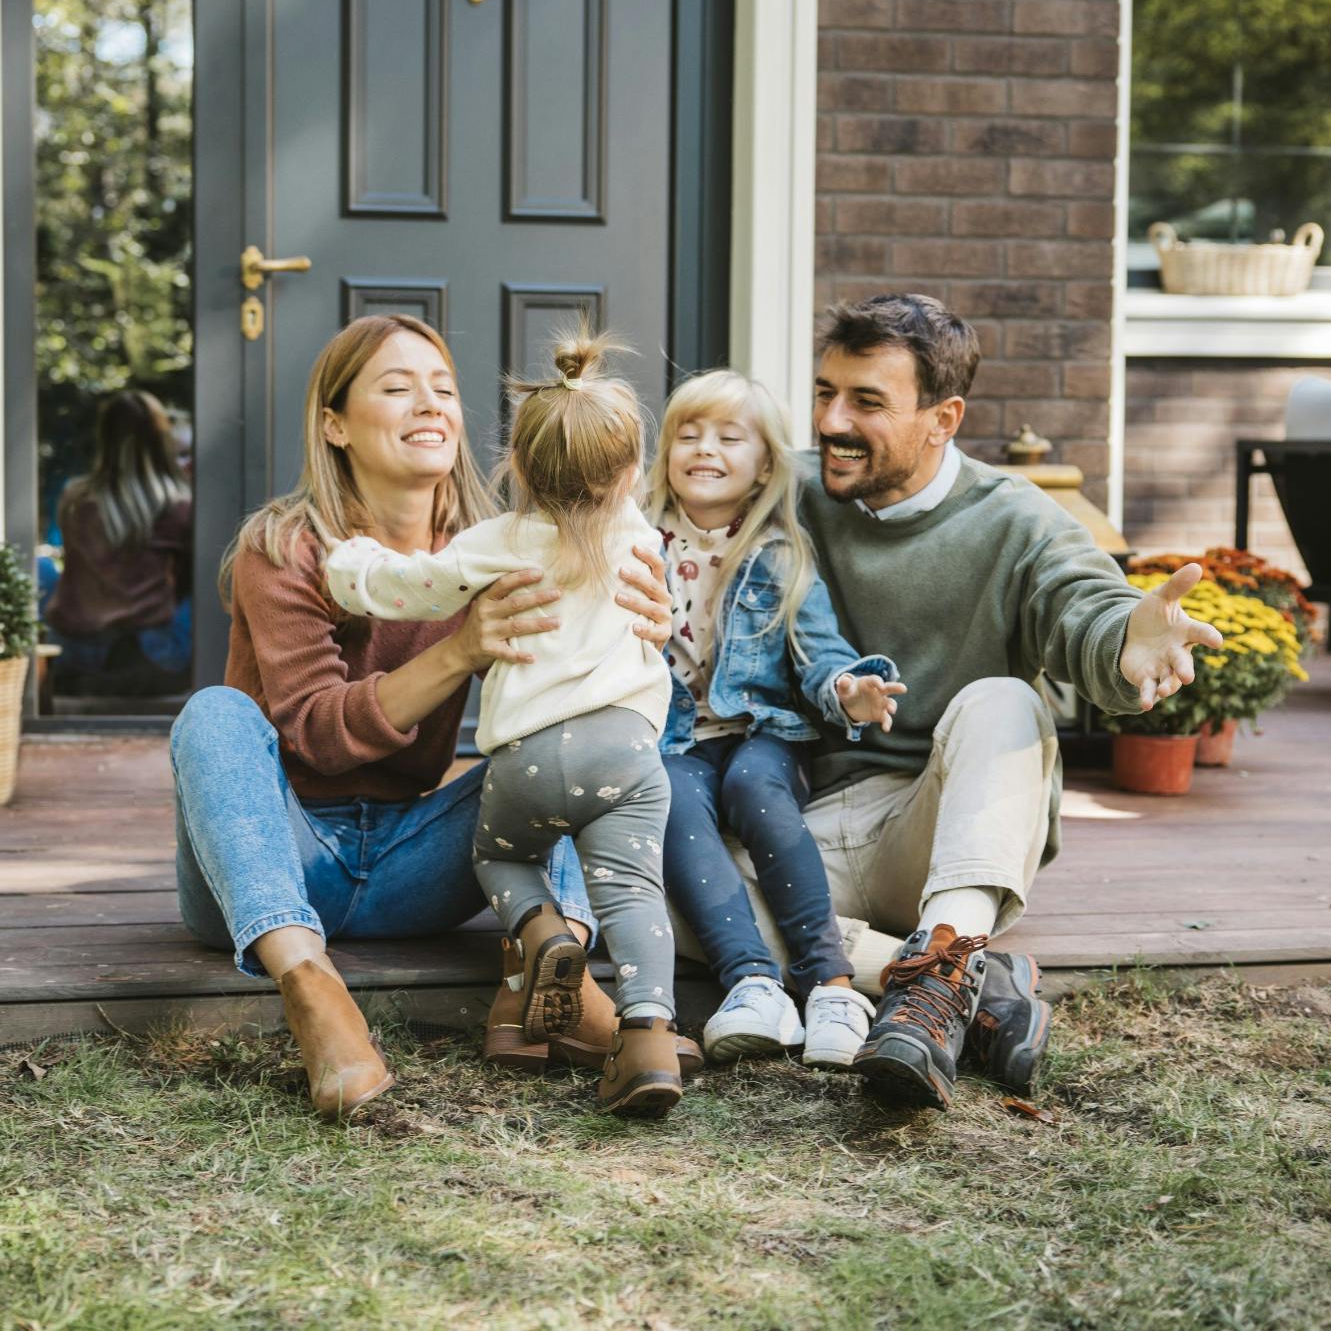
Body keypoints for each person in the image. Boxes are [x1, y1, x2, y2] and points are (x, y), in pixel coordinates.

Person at [695, 293, 1221, 1112]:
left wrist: (1128, 640)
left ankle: (942, 957)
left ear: (942, 419)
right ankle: (967, 982)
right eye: (825, 392)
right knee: (671, 879)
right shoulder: (777, 491)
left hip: (934, 831)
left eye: (867, 402)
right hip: (790, 828)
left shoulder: (1013, 520)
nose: (831, 420)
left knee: (1006, 702)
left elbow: (1083, 606)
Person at [169, 315, 679, 1121]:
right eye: (396, 387)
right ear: (333, 424)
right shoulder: (286, 547)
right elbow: (315, 736)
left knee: (579, 748)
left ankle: (553, 968)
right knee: (212, 716)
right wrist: (461, 648)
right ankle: (311, 987)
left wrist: (651, 617)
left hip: (413, 857)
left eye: (442, 387)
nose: (429, 404)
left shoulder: (509, 542)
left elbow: (631, 653)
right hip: (279, 850)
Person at [327, 334, 687, 1116]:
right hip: (625, 754)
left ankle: (540, 932)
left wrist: (347, 563)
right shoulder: (639, 536)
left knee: (502, 859)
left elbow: (406, 590)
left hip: (526, 759)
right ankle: (649, 1038)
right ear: (630, 475)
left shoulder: (498, 544)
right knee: (631, 894)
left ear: (517, 470)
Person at [645, 370, 906, 1071]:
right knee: (669, 798)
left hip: (764, 733)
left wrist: (851, 689)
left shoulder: (780, 557)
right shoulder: (633, 546)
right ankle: (752, 983)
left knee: (755, 791)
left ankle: (831, 985)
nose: (705, 449)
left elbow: (821, 656)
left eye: (729, 438)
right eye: (688, 435)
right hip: (672, 739)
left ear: (764, 467)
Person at [46, 390, 194, 685]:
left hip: (73, 647)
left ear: (104, 438)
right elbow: (187, 583)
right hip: (148, 653)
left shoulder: (74, 499)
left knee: (40, 569)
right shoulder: (177, 506)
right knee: (211, 586)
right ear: (160, 440)